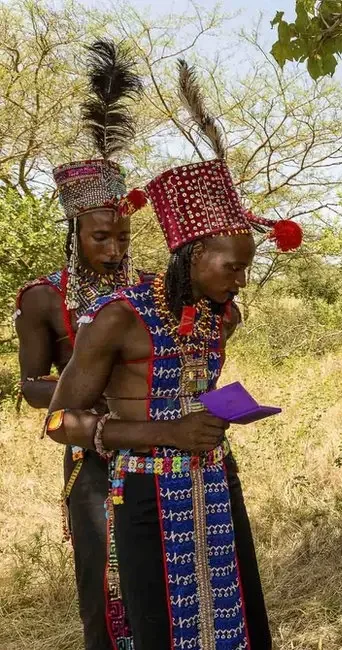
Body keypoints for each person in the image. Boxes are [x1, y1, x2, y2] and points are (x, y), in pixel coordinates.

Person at [43, 60, 300, 650]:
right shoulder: (118, 318)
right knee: (160, 629)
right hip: (142, 496)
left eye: (247, 267)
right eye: (232, 267)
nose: (240, 279)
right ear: (192, 254)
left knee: (231, 621)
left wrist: (223, 410)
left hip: (213, 483)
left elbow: (188, 386)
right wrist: (169, 432)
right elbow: (59, 423)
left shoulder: (220, 318)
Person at [13, 40, 143, 650]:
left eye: (122, 235)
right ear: (75, 233)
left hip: (156, 447)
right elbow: (32, 384)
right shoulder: (42, 299)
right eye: (100, 237)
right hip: (89, 452)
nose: (115, 249)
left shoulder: (148, 293)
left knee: (159, 575)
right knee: (102, 578)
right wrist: (85, 403)